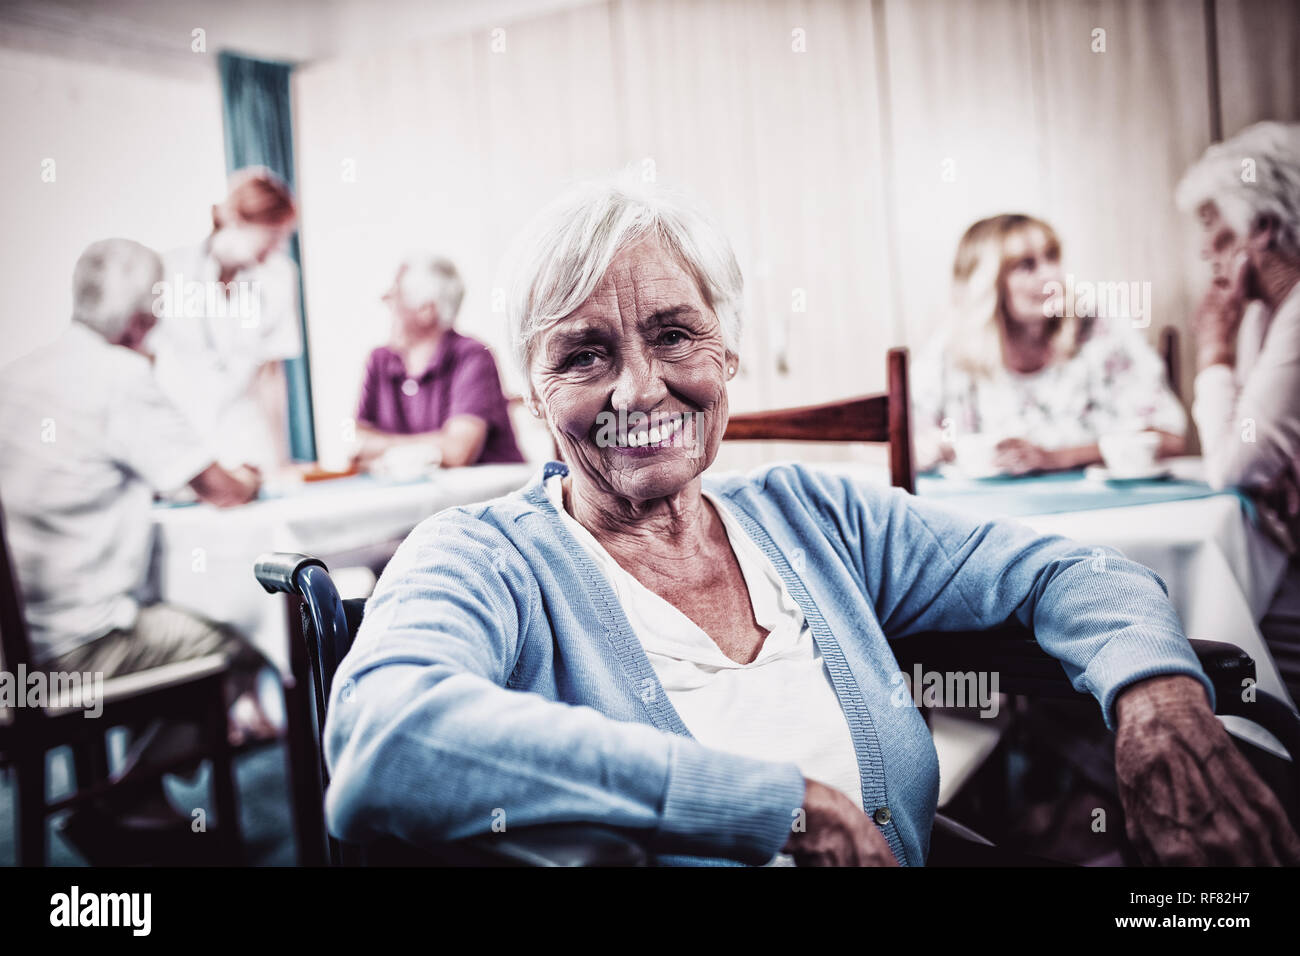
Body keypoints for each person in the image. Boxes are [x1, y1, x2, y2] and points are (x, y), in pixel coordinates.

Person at [322, 176, 1299, 866]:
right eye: (582, 354)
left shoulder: (809, 513)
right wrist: (773, 806)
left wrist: (1157, 701)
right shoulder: (482, 554)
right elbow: (383, 737)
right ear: (530, 392)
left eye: (673, 333)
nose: (639, 385)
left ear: (728, 353)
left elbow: (1071, 567)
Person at [0, 238, 273, 862]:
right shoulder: (119, 376)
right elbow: (220, 489)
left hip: (16, 655)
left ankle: (132, 805)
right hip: (75, 653)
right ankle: (129, 797)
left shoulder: (16, 375)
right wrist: (252, 476)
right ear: (141, 318)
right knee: (242, 634)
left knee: (170, 617)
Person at [911, 214, 1187, 475]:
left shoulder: (1099, 328)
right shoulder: (952, 350)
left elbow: (1171, 437)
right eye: (1026, 265)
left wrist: (1058, 458)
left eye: (1052, 257)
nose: (1051, 276)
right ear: (987, 283)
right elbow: (888, 445)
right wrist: (924, 451)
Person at [1178, 121, 1300, 702]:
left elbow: (1229, 466)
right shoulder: (1263, 316)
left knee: (1200, 647)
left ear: (1266, 227)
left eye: (1216, 229)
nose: (1205, 250)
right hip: (1287, 550)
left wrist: (1213, 352)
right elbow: (1247, 460)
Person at [147, 167, 302, 474]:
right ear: (236, 220)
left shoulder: (278, 276)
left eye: (283, 237)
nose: (277, 248)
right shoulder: (170, 271)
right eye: (272, 235)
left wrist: (281, 460)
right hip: (185, 433)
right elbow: (147, 363)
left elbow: (271, 376)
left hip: (247, 435)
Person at [352, 255, 524, 469]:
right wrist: (434, 447)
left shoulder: (473, 356)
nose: (384, 301)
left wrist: (379, 447)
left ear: (426, 310)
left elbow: (457, 452)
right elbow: (355, 446)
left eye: (394, 296)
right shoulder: (379, 360)